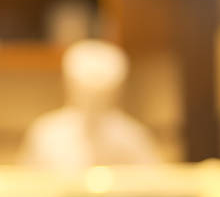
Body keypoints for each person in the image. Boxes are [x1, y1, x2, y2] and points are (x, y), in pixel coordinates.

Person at [20, 39, 159, 172]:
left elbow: (152, 187)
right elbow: (28, 186)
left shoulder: (131, 137)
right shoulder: (46, 134)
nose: (93, 102)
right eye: (85, 92)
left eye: (101, 94)